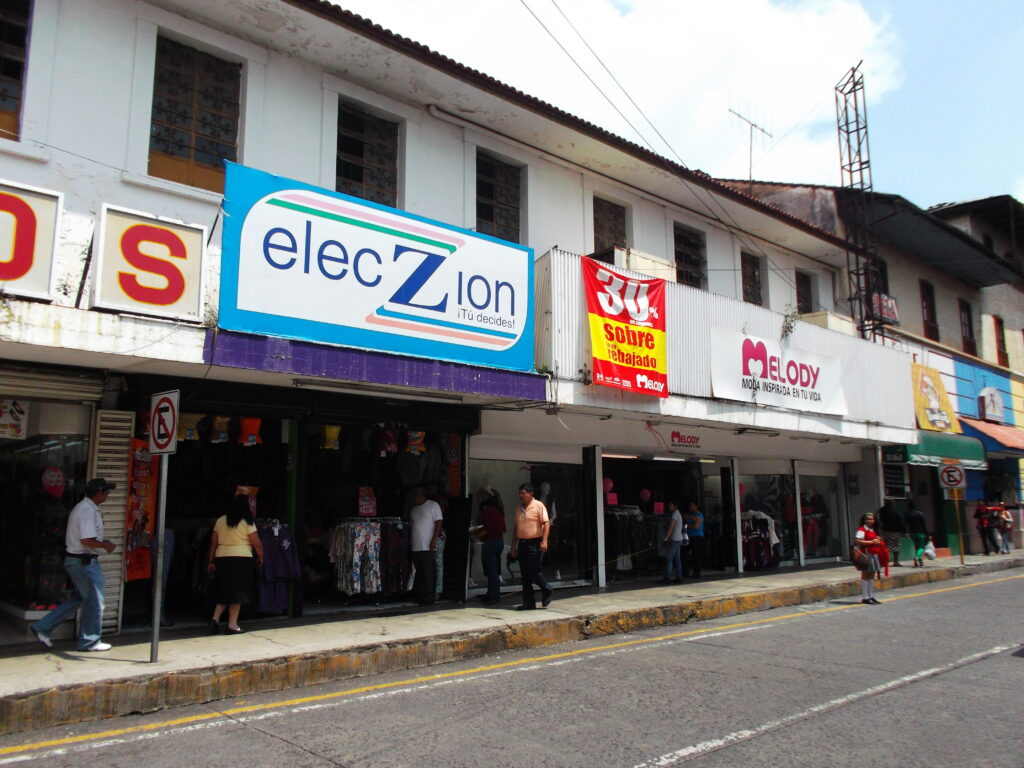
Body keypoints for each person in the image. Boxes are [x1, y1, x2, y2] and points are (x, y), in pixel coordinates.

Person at [31, 478, 118, 652]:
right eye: (106, 492)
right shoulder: (87, 510)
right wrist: (105, 545)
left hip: (80, 561)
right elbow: (86, 540)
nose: (108, 495)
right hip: (84, 562)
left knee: (81, 598)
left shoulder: (86, 508)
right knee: (95, 601)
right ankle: (90, 641)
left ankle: (43, 627)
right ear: (99, 493)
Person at [207, 494, 264, 633]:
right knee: (238, 593)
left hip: (222, 558)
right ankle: (232, 625)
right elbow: (257, 544)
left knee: (225, 590)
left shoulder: (221, 520)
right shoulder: (247, 522)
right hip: (241, 559)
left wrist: (211, 560)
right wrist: (261, 557)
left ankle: (215, 618)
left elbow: (213, 543)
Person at [510, 483, 553, 610]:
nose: (520, 495)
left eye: (523, 493)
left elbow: (546, 524)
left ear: (531, 494)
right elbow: (517, 527)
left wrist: (544, 541)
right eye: (519, 493)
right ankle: (529, 603)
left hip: (535, 543)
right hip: (522, 544)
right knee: (525, 574)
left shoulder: (538, 505)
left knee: (534, 572)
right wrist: (513, 545)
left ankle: (547, 588)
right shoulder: (519, 508)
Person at [410, 486, 443, 605]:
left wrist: (434, 539)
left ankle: (429, 596)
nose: (413, 498)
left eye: (415, 495)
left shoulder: (433, 505)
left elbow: (439, 522)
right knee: (419, 572)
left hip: (427, 545)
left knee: (428, 571)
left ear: (420, 495)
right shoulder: (414, 509)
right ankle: (421, 595)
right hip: (416, 545)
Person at [473, 496, 505, 604]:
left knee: (491, 571)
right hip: (499, 542)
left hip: (490, 543)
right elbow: (502, 529)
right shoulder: (499, 512)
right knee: (494, 570)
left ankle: (495, 595)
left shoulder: (488, 511)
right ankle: (490, 594)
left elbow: (486, 530)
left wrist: (474, 537)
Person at [854, 512, 885, 604]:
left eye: (871, 519)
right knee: (865, 574)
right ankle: (865, 597)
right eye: (868, 519)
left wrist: (878, 539)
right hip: (866, 555)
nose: (870, 521)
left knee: (871, 574)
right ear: (864, 520)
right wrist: (872, 542)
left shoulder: (873, 530)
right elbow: (857, 541)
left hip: (874, 554)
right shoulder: (862, 529)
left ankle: (870, 596)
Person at [661, 500, 686, 583]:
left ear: (675, 506)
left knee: (669, 558)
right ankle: (679, 577)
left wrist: (666, 538)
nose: (669, 506)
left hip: (675, 539)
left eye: (671, 505)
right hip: (679, 539)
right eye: (669, 505)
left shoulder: (675, 514)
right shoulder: (678, 513)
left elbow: (671, 527)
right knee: (677, 559)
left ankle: (667, 577)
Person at [878, 500, 905, 567]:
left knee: (887, 546)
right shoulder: (895, 512)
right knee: (896, 547)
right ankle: (895, 562)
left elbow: (879, 520)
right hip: (895, 531)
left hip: (885, 531)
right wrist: (905, 531)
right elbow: (900, 521)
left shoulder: (882, 511)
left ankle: (885, 561)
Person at [684, 501, 704, 579]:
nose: (691, 507)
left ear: (696, 506)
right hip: (689, 536)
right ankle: (685, 571)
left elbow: (696, 526)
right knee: (684, 552)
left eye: (692, 506)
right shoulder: (689, 514)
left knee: (696, 555)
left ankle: (696, 573)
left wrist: (688, 526)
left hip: (697, 536)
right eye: (690, 506)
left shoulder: (699, 515)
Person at [905, 502, 928, 567]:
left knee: (917, 548)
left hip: (912, 533)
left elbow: (905, 524)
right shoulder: (920, 514)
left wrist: (906, 532)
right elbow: (923, 524)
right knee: (921, 548)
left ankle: (919, 563)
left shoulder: (907, 514)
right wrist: (926, 533)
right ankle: (917, 557)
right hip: (920, 533)